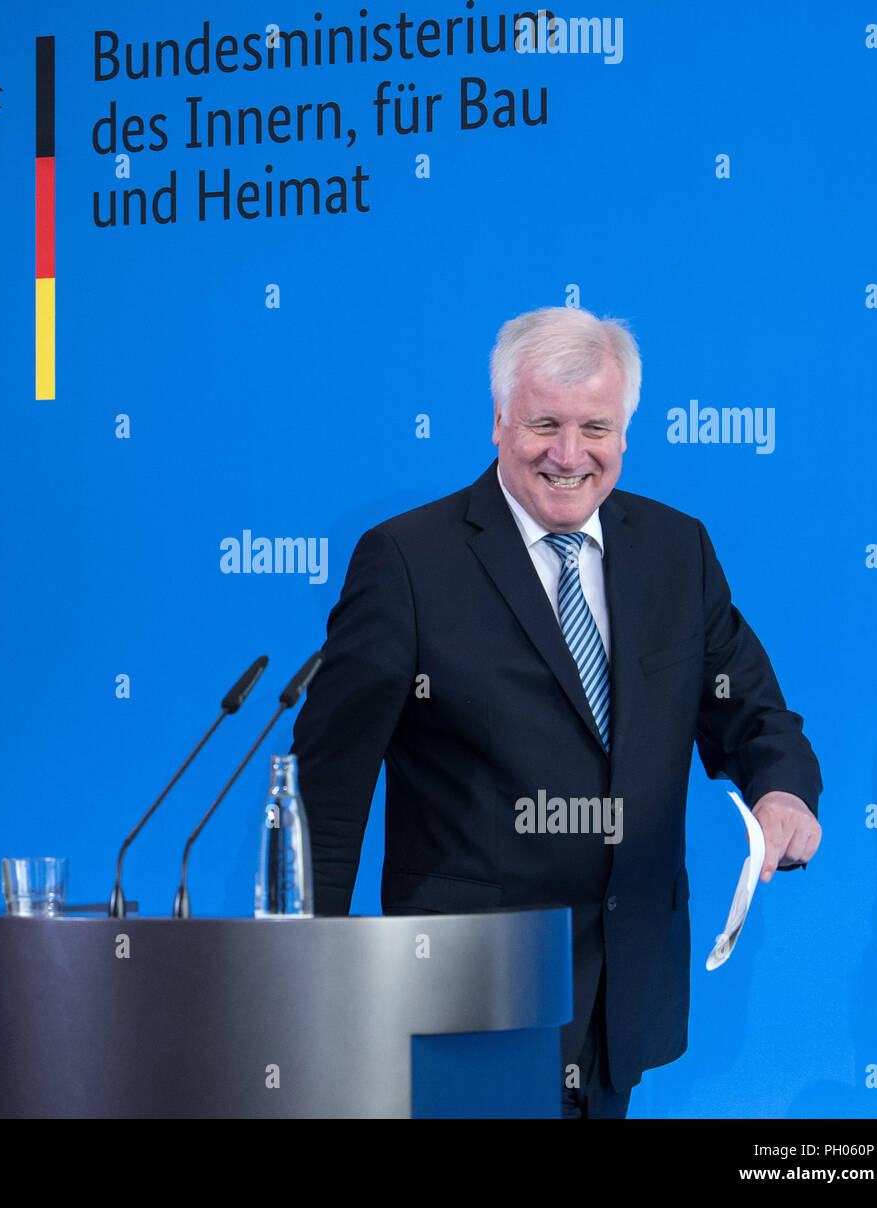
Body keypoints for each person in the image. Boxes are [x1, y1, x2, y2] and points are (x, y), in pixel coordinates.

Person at [291, 306, 822, 1118]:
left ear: (626, 431)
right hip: (469, 1002)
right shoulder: (406, 563)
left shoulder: (677, 551)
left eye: (595, 428)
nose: (569, 455)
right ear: (500, 421)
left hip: (619, 995)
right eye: (544, 424)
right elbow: (327, 794)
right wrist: (307, 984)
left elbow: (751, 708)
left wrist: (782, 789)